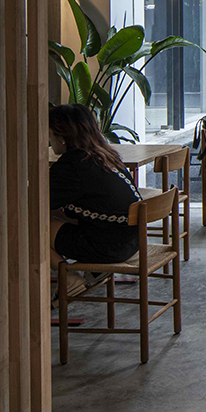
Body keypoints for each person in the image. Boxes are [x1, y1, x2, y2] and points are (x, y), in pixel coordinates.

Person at [48, 104, 142, 302]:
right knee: (55, 215)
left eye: (49, 134)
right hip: (132, 240)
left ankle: (68, 277)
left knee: (30, 226)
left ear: (62, 137)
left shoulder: (73, 165)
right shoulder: (105, 155)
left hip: (108, 247)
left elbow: (38, 201)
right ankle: (92, 272)